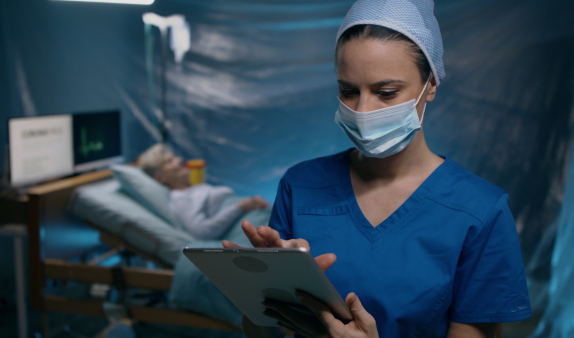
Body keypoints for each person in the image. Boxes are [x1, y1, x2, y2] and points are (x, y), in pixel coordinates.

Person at [223, 0, 532, 337]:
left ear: (430, 85)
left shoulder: (480, 211)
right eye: (349, 91)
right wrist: (265, 287)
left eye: (386, 92)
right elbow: (263, 332)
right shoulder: (301, 185)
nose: (364, 110)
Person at [137, 144, 269, 239]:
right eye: (170, 161)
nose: (179, 160)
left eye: (174, 157)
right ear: (160, 178)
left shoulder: (194, 189)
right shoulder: (180, 198)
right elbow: (202, 232)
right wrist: (240, 207)